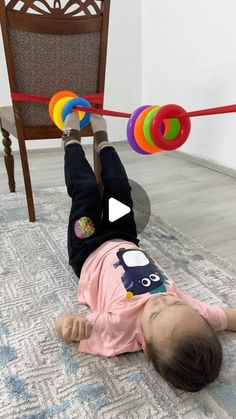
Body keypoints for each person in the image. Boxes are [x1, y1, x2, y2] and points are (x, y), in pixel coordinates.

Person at [55, 111, 236, 393]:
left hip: (87, 250)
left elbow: (68, 328)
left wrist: (69, 325)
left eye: (154, 316)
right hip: (124, 235)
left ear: (145, 347)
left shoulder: (120, 328)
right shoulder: (194, 315)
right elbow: (227, 317)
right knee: (118, 187)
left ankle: (71, 141)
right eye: (175, 304)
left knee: (87, 191)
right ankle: (102, 139)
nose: (160, 302)